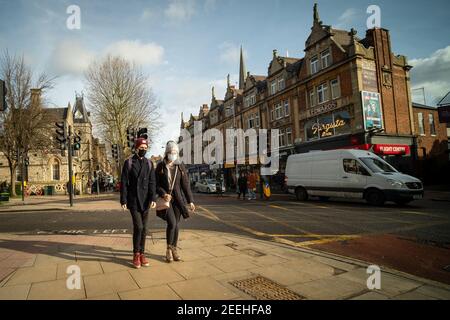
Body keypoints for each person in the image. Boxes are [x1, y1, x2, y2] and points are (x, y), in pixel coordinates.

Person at [156, 141, 195, 263]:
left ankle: (174, 249)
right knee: (172, 223)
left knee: (176, 225)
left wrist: (190, 201)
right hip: (166, 200)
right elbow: (155, 184)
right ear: (167, 152)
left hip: (178, 200)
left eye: (175, 153)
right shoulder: (160, 166)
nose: (173, 154)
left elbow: (185, 185)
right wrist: (163, 193)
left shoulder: (180, 166)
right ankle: (168, 249)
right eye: (171, 152)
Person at [120, 137, 156, 269]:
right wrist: (123, 200)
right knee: (139, 227)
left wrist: (153, 199)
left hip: (146, 200)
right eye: (141, 148)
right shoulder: (129, 162)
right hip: (134, 200)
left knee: (145, 229)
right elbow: (124, 182)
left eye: (145, 148)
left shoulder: (149, 163)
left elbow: (152, 182)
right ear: (136, 148)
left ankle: (142, 254)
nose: (144, 150)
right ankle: (136, 253)